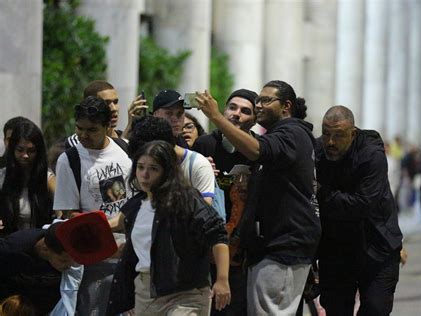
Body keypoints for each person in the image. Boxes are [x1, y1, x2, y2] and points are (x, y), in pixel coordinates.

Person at [197, 80, 321, 315]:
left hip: (283, 246)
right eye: (258, 101)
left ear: (286, 106)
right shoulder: (285, 135)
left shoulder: (291, 133)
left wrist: (215, 116)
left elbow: (256, 150)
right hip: (270, 247)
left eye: (265, 100)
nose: (259, 105)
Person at [107, 140, 230, 315]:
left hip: (186, 292)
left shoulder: (187, 200)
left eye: (153, 168)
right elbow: (116, 226)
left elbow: (218, 235)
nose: (145, 175)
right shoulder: (136, 204)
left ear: (167, 171)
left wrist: (223, 279)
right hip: (146, 291)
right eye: (140, 167)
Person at [314, 105, 403, 315]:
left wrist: (322, 193)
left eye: (338, 135)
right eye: (326, 134)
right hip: (336, 249)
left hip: (378, 246)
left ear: (353, 134)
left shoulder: (371, 154)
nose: (331, 142)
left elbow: (362, 205)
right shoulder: (317, 150)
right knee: (335, 309)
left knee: (375, 308)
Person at [53, 96, 134, 315]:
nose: (83, 135)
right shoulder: (69, 160)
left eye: (92, 130)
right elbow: (70, 213)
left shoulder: (126, 150)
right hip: (92, 260)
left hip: (129, 256)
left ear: (108, 127)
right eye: (79, 128)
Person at [193, 88, 258, 315]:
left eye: (245, 111)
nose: (237, 114)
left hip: (242, 249)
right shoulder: (204, 144)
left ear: (254, 119)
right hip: (207, 245)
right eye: (232, 107)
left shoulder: (257, 149)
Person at [0, 119, 54, 236]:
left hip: (40, 245)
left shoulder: (48, 180)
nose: (25, 155)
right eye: (20, 150)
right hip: (7, 245)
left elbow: (63, 212)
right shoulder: (2, 177)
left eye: (31, 151)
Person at [65, 80, 147, 147]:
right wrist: (128, 129)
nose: (113, 108)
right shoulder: (79, 141)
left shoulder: (124, 136)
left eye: (115, 102)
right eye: (106, 103)